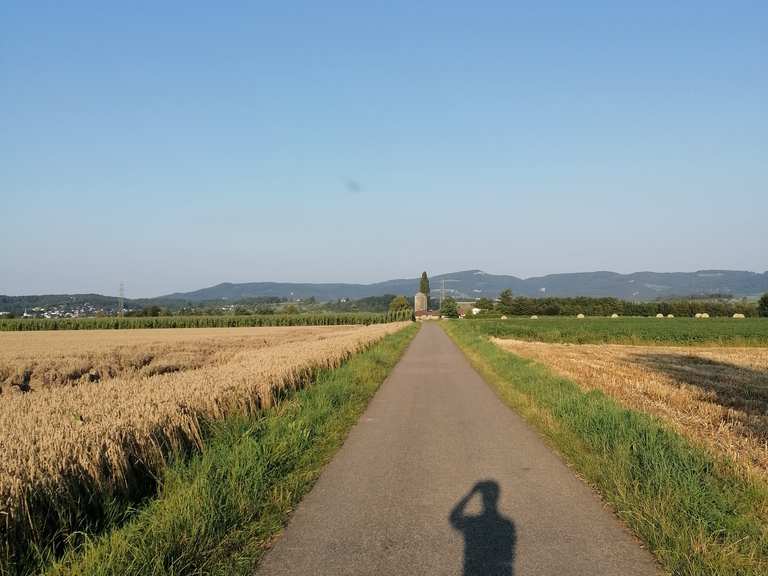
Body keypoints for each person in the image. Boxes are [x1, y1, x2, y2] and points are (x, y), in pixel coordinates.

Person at [450, 481, 516, 576]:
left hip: (473, 569)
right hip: (501, 570)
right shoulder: (508, 524)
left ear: (482, 499)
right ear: (497, 497)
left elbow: (454, 518)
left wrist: (470, 494)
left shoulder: (472, 522)